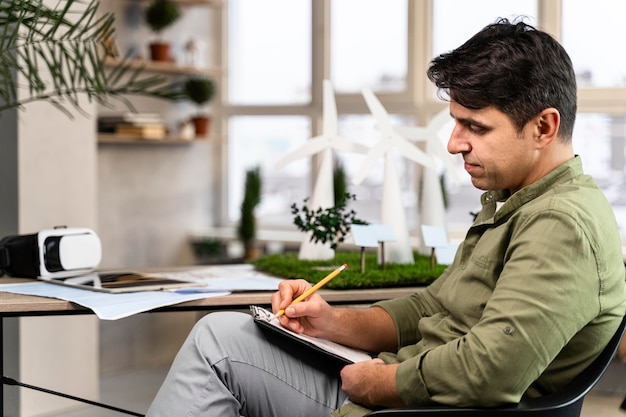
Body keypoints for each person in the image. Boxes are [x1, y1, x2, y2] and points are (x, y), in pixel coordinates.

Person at [146, 18, 626, 417]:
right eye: (457, 122)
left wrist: (380, 382)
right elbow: (429, 310)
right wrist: (332, 324)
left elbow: (493, 370)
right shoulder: (514, 203)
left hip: (408, 406)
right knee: (225, 332)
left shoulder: (562, 224)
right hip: (400, 389)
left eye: (475, 127)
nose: (454, 142)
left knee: (218, 347)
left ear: (543, 126)